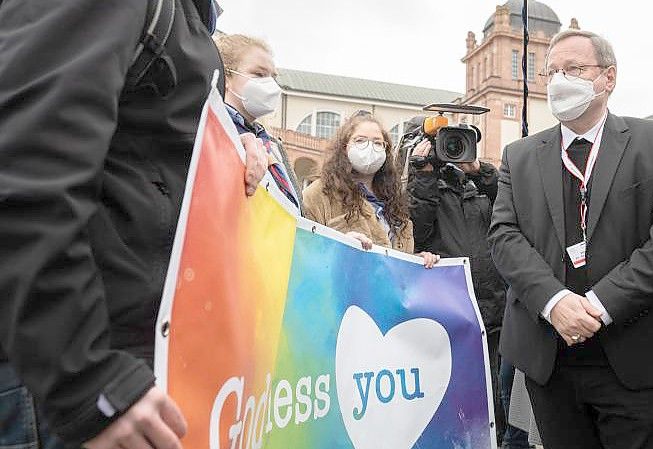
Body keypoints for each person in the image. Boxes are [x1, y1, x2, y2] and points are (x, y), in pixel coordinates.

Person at [0, 1, 268, 447]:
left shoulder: (186, 19)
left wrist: (224, 153)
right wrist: (86, 380)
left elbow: (137, 146)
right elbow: (25, 169)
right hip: (66, 381)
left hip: (119, 363)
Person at [488, 29, 653, 449]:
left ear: (608, 78)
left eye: (574, 69)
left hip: (635, 349)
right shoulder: (521, 155)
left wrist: (600, 305)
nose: (559, 80)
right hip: (550, 353)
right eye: (550, 72)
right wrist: (555, 302)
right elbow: (504, 237)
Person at [406, 140, 508, 443]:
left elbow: (511, 202)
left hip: (492, 308)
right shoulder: (424, 188)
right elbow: (417, 231)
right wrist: (424, 175)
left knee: (495, 395)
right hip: (450, 311)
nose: (452, 152)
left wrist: (478, 171)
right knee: (454, 393)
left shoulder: (477, 186)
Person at [303, 113, 438, 268]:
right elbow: (304, 252)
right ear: (344, 147)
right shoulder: (319, 193)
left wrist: (417, 260)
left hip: (385, 290)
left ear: (386, 151)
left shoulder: (394, 200)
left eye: (377, 143)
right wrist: (339, 247)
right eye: (360, 140)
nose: (369, 147)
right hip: (344, 289)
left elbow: (394, 261)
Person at [215, 33, 302, 213]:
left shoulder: (273, 146)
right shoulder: (212, 131)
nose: (270, 84)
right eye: (259, 74)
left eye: (273, 76)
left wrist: (336, 239)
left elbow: (296, 217)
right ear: (226, 77)